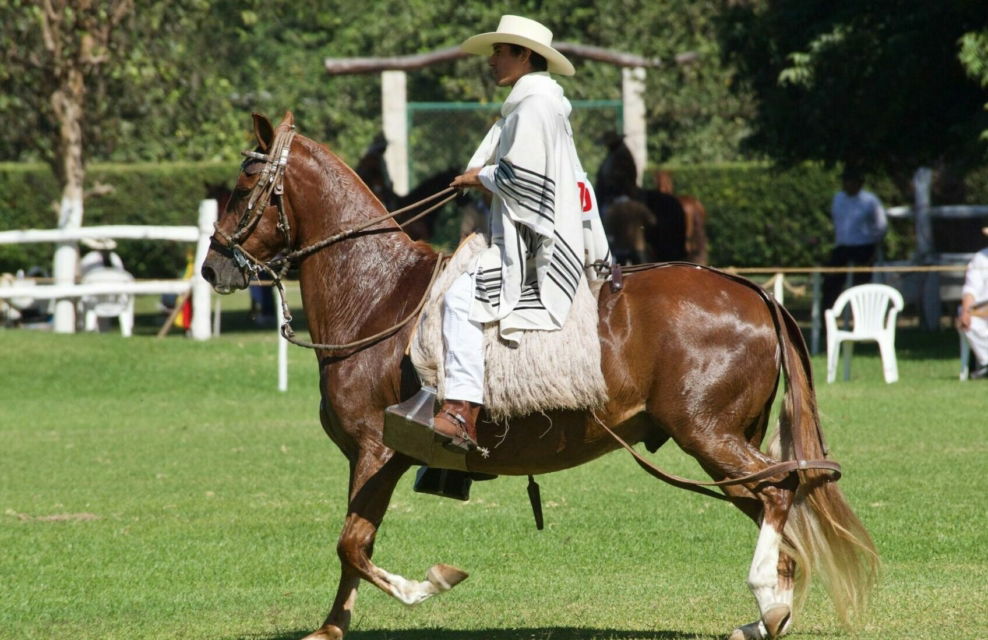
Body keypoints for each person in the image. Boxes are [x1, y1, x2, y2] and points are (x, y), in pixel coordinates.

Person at [434, 14, 611, 453]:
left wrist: (481, 177)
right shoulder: (539, 102)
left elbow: (525, 179)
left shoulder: (533, 106)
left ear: (524, 55)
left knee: (458, 298)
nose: (491, 60)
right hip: (551, 233)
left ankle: (461, 410)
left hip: (541, 248)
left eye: (500, 51)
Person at [822, 167, 888, 311]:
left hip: (863, 247)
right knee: (830, 282)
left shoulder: (870, 201)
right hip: (843, 247)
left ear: (859, 183)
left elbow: (881, 225)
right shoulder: (838, 199)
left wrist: (874, 243)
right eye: (845, 181)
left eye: (850, 181)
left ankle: (863, 319)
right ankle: (826, 321)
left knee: (862, 285)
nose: (847, 184)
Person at [958, 227, 988, 379]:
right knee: (968, 320)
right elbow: (971, 289)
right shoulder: (980, 258)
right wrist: (965, 311)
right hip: (982, 310)